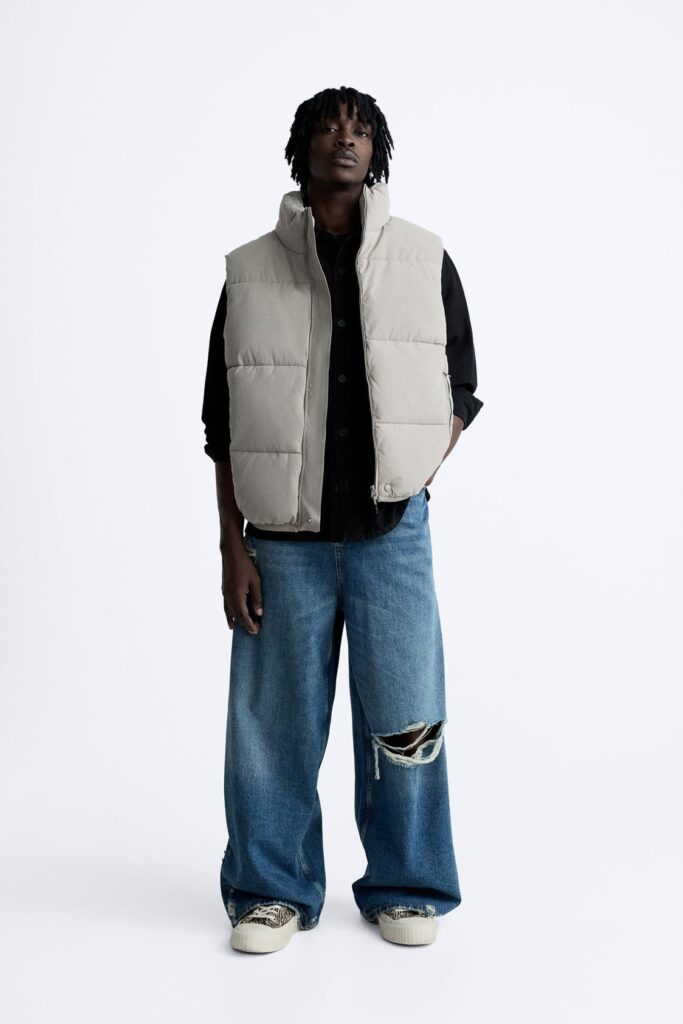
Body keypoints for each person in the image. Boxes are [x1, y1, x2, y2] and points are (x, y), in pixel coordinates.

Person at [201, 85, 483, 954]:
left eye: (360, 130)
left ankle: (407, 886)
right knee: (271, 730)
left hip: (390, 533)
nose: (345, 141)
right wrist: (232, 548)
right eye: (327, 129)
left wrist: (415, 468)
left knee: (406, 716)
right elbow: (221, 422)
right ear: (303, 148)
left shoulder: (423, 258)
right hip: (281, 543)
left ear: (377, 149)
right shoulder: (249, 270)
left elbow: (462, 386)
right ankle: (269, 892)